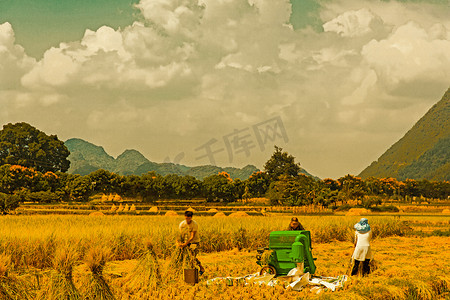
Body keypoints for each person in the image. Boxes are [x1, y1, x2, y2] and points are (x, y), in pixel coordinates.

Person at [178, 210, 205, 275]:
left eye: (189, 218)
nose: (187, 220)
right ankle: (186, 271)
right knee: (184, 257)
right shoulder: (182, 224)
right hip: (185, 242)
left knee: (192, 256)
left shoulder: (194, 224)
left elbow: (192, 236)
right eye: (186, 218)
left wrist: (185, 244)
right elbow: (180, 235)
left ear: (191, 218)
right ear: (184, 217)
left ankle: (200, 268)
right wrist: (179, 242)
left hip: (194, 242)